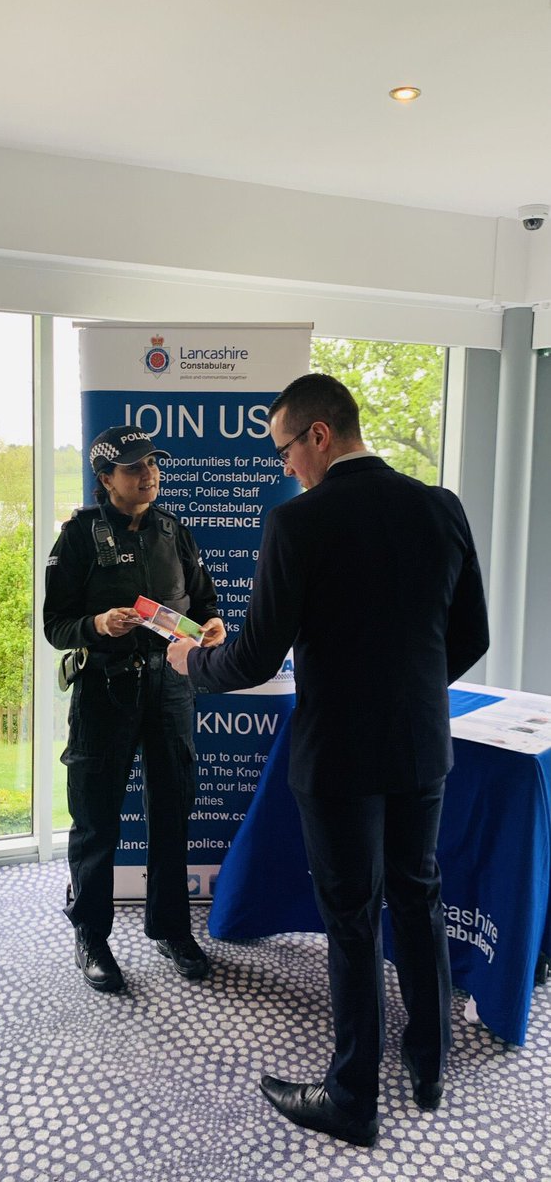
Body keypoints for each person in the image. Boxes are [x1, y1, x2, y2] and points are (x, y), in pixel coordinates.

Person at [167, 374, 489, 1147]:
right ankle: (428, 1061)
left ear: (318, 435)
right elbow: (470, 635)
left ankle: (352, 1098)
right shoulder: (439, 506)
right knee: (416, 896)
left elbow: (251, 657)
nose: (286, 468)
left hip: (337, 755)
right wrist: (405, 691)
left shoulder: (297, 524)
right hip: (419, 744)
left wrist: (187, 662)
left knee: (350, 920)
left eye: (287, 449)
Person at [44, 425, 225, 994]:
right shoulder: (78, 535)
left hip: (170, 690)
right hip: (105, 690)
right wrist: (95, 625)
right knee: (97, 819)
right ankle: (92, 935)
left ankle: (171, 928)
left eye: (151, 463)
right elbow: (54, 625)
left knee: (172, 808)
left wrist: (213, 626)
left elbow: (203, 601)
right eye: (131, 467)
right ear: (105, 479)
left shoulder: (174, 530)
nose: (147, 473)